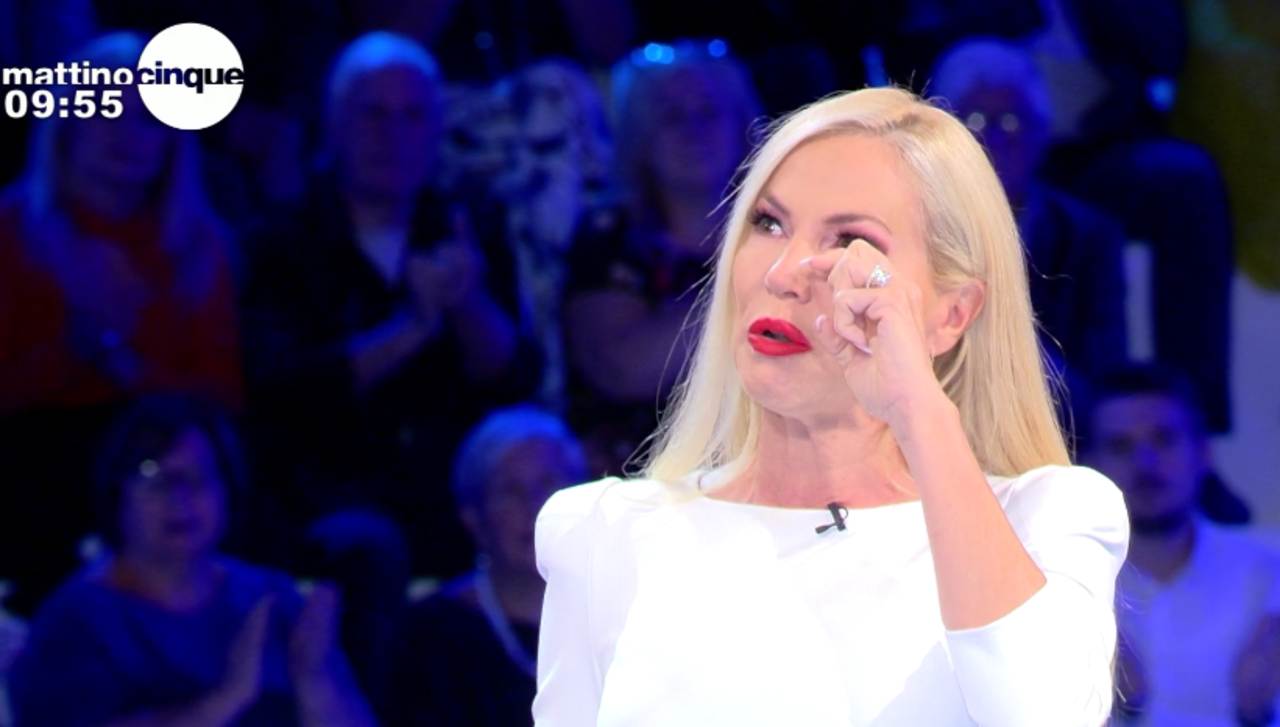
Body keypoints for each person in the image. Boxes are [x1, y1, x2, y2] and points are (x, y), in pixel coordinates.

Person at [534, 87, 1130, 726]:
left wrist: (916, 408)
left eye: (848, 241)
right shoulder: (605, 536)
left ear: (953, 315)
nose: (785, 273)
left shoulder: (1044, 522)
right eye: (768, 224)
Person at [240, 32, 540, 577]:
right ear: (334, 124)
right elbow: (283, 394)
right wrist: (412, 328)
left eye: (412, 116)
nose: (393, 135)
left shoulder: (468, 224)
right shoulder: (280, 239)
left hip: (457, 493)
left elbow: (514, 381)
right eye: (373, 114)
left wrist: (467, 301)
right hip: (327, 497)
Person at [8, 395, 374, 726]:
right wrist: (225, 700)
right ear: (117, 493)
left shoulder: (272, 597)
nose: (179, 497)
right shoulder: (77, 622)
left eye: (198, 476)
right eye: (156, 478)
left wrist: (315, 679)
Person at [562, 39, 762, 474]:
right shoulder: (608, 237)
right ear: (641, 136)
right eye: (672, 116)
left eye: (708, 112)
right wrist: (755, 291)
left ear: (740, 124)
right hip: (645, 470)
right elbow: (623, 368)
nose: (694, 131)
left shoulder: (778, 224)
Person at [1083, 365, 1280, 725]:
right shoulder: (1065, 583)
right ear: (1091, 466)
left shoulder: (1270, 572)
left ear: (1203, 453)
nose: (1145, 463)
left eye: (1164, 439)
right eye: (1121, 446)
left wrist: (1260, 713)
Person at [389, 406, 586, 726]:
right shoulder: (432, 635)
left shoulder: (624, 612)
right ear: (474, 519)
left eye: (549, 483)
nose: (534, 504)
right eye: (510, 491)